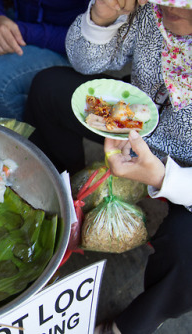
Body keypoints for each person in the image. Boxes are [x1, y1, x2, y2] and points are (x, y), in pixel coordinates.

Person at [24, 0, 192, 333]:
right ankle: (69, 203)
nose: (171, 9)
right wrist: (101, 18)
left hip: (184, 167)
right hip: (134, 120)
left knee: (187, 258)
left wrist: (165, 179)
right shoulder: (152, 12)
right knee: (48, 89)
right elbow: (88, 63)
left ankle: (129, 325)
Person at [0, 0, 90, 120]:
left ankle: (28, 140)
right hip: (19, 19)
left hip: (70, 46)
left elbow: (89, 39)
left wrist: (15, 33)